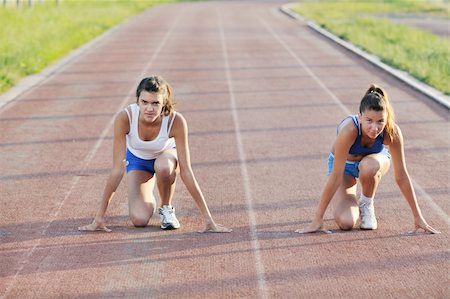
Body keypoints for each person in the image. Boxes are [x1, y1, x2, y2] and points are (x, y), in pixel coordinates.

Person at [79, 75, 232, 233]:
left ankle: (166, 207)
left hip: (166, 157)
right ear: (137, 100)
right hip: (138, 161)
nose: (149, 109)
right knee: (139, 220)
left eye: (155, 103)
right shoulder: (125, 118)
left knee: (163, 166)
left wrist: (208, 218)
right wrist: (99, 217)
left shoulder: (175, 121)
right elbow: (117, 170)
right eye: (144, 102)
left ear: (164, 103)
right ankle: (147, 193)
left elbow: (186, 170)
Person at [296, 84, 440, 234]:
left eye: (380, 122)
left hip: (372, 164)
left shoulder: (392, 132)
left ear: (386, 119)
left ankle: (367, 203)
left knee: (368, 165)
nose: (375, 127)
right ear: (360, 117)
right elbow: (336, 175)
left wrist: (417, 216)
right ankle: (349, 205)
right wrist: (317, 219)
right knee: (346, 223)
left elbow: (401, 175)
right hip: (345, 168)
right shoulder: (349, 131)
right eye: (369, 120)